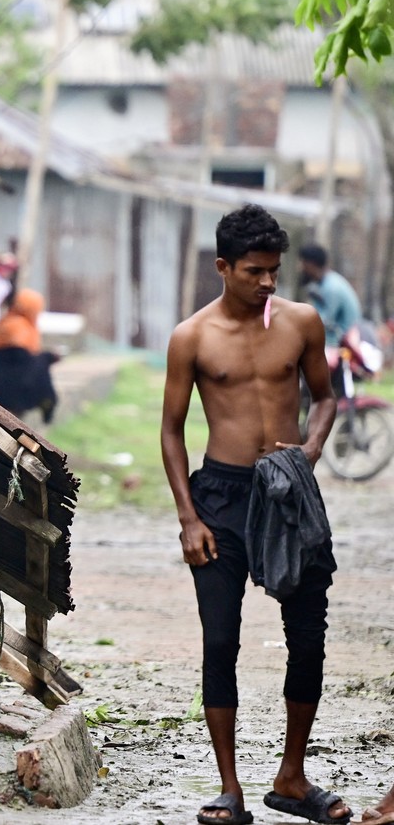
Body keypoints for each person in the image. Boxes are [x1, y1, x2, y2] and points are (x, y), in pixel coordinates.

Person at [161, 204, 348, 825]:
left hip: (289, 494)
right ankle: (229, 790)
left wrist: (309, 453)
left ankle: (291, 778)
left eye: (274, 270)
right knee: (221, 640)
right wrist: (189, 517)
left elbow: (325, 400)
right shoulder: (193, 335)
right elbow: (170, 430)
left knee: (308, 638)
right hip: (220, 495)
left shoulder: (302, 322)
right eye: (254, 271)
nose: (269, 282)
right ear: (223, 267)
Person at [0, 288, 58, 422]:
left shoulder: (6, 321)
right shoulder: (19, 327)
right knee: (42, 366)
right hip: (1, 387)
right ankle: (47, 403)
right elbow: (20, 358)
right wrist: (48, 357)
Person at [299, 243, 362, 349]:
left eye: (303, 263)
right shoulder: (325, 283)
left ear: (312, 264)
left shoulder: (332, 287)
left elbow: (322, 322)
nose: (301, 268)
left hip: (343, 345)